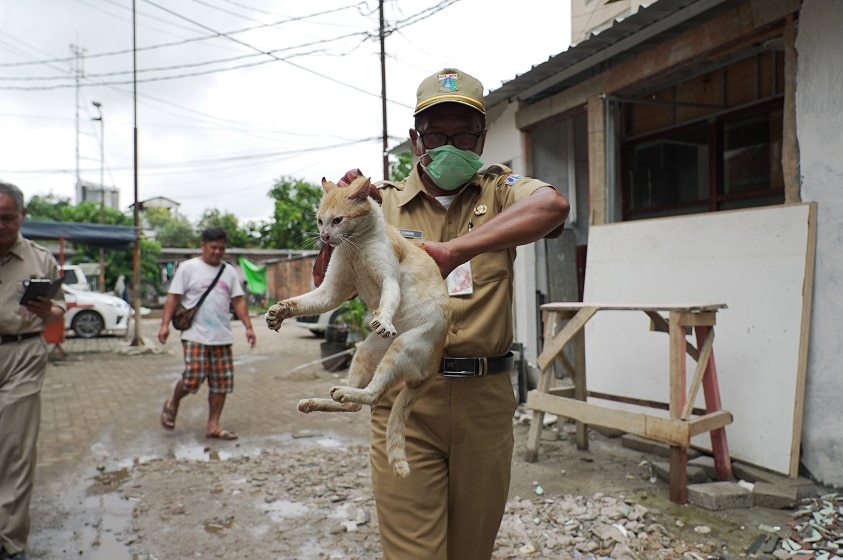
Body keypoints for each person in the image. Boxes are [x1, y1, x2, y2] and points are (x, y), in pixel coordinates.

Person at [324, 68, 570, 559]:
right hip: (405, 398)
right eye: (437, 133)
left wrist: (455, 250)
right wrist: (343, 210)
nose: (449, 144)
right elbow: (328, 283)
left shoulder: (501, 191)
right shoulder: (381, 204)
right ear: (416, 138)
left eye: (462, 133)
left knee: (471, 551)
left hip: (485, 400)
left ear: (481, 138)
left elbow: (554, 207)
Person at [0, 181, 67, 560]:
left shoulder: (40, 259)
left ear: (23, 217)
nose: (0, 225)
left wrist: (49, 311)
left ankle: (10, 542)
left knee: (15, 450)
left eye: (7, 218)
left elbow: (59, 308)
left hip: (22, 353)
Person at [158, 227, 256, 440]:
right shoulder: (188, 268)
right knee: (193, 376)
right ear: (202, 246)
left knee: (221, 383)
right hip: (195, 334)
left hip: (222, 335)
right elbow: (173, 298)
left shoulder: (228, 271)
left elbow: (238, 300)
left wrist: (248, 327)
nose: (217, 252)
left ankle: (213, 425)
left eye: (221, 248)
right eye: (213, 247)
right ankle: (173, 402)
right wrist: (164, 325)